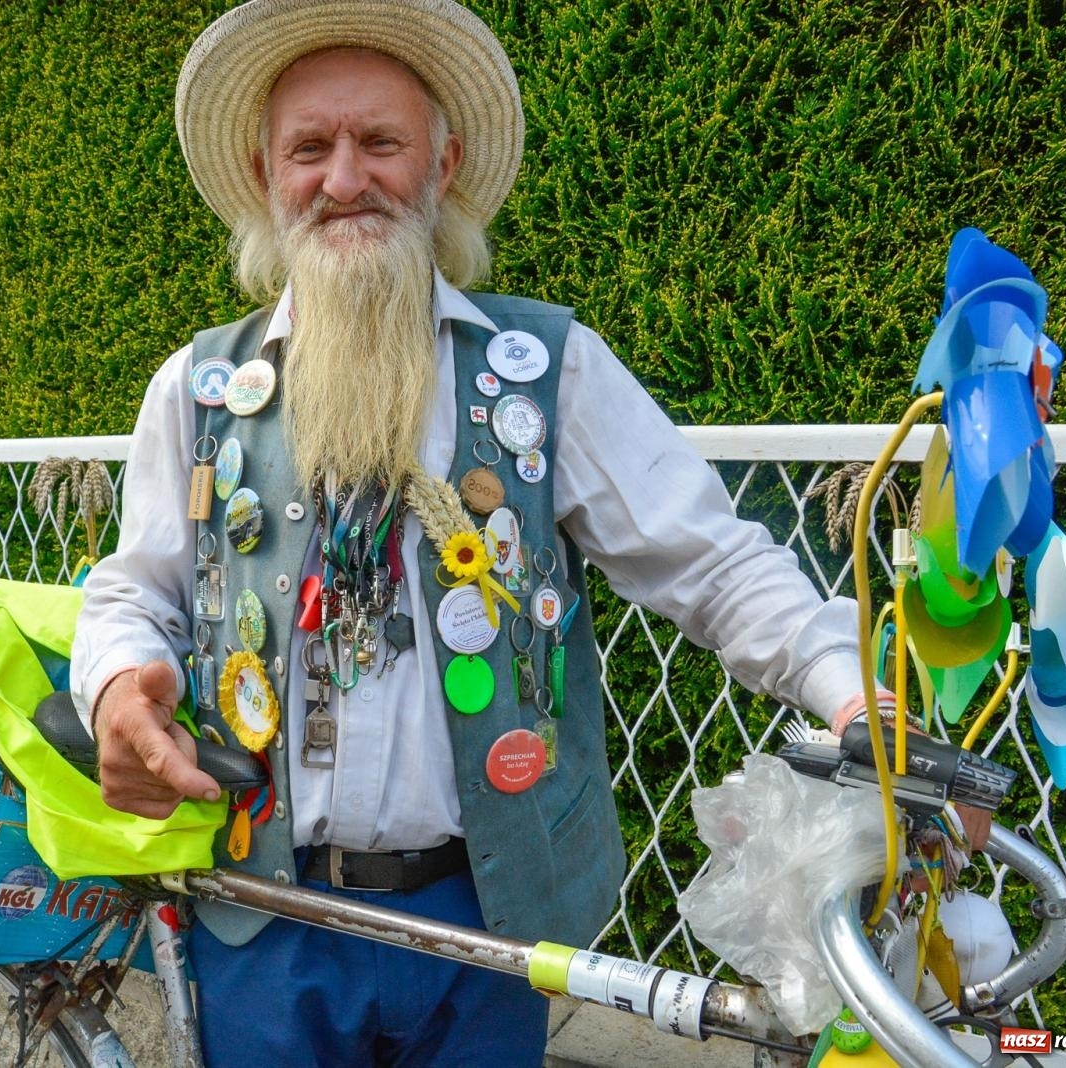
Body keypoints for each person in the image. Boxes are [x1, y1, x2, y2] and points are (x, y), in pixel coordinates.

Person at [72, 1, 886, 1062]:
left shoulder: (547, 371)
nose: (344, 178)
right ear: (266, 172)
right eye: (309, 147)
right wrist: (121, 683)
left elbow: (714, 563)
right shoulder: (201, 387)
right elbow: (133, 589)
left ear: (443, 162)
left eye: (381, 143)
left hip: (487, 924)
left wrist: (855, 694)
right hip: (261, 917)